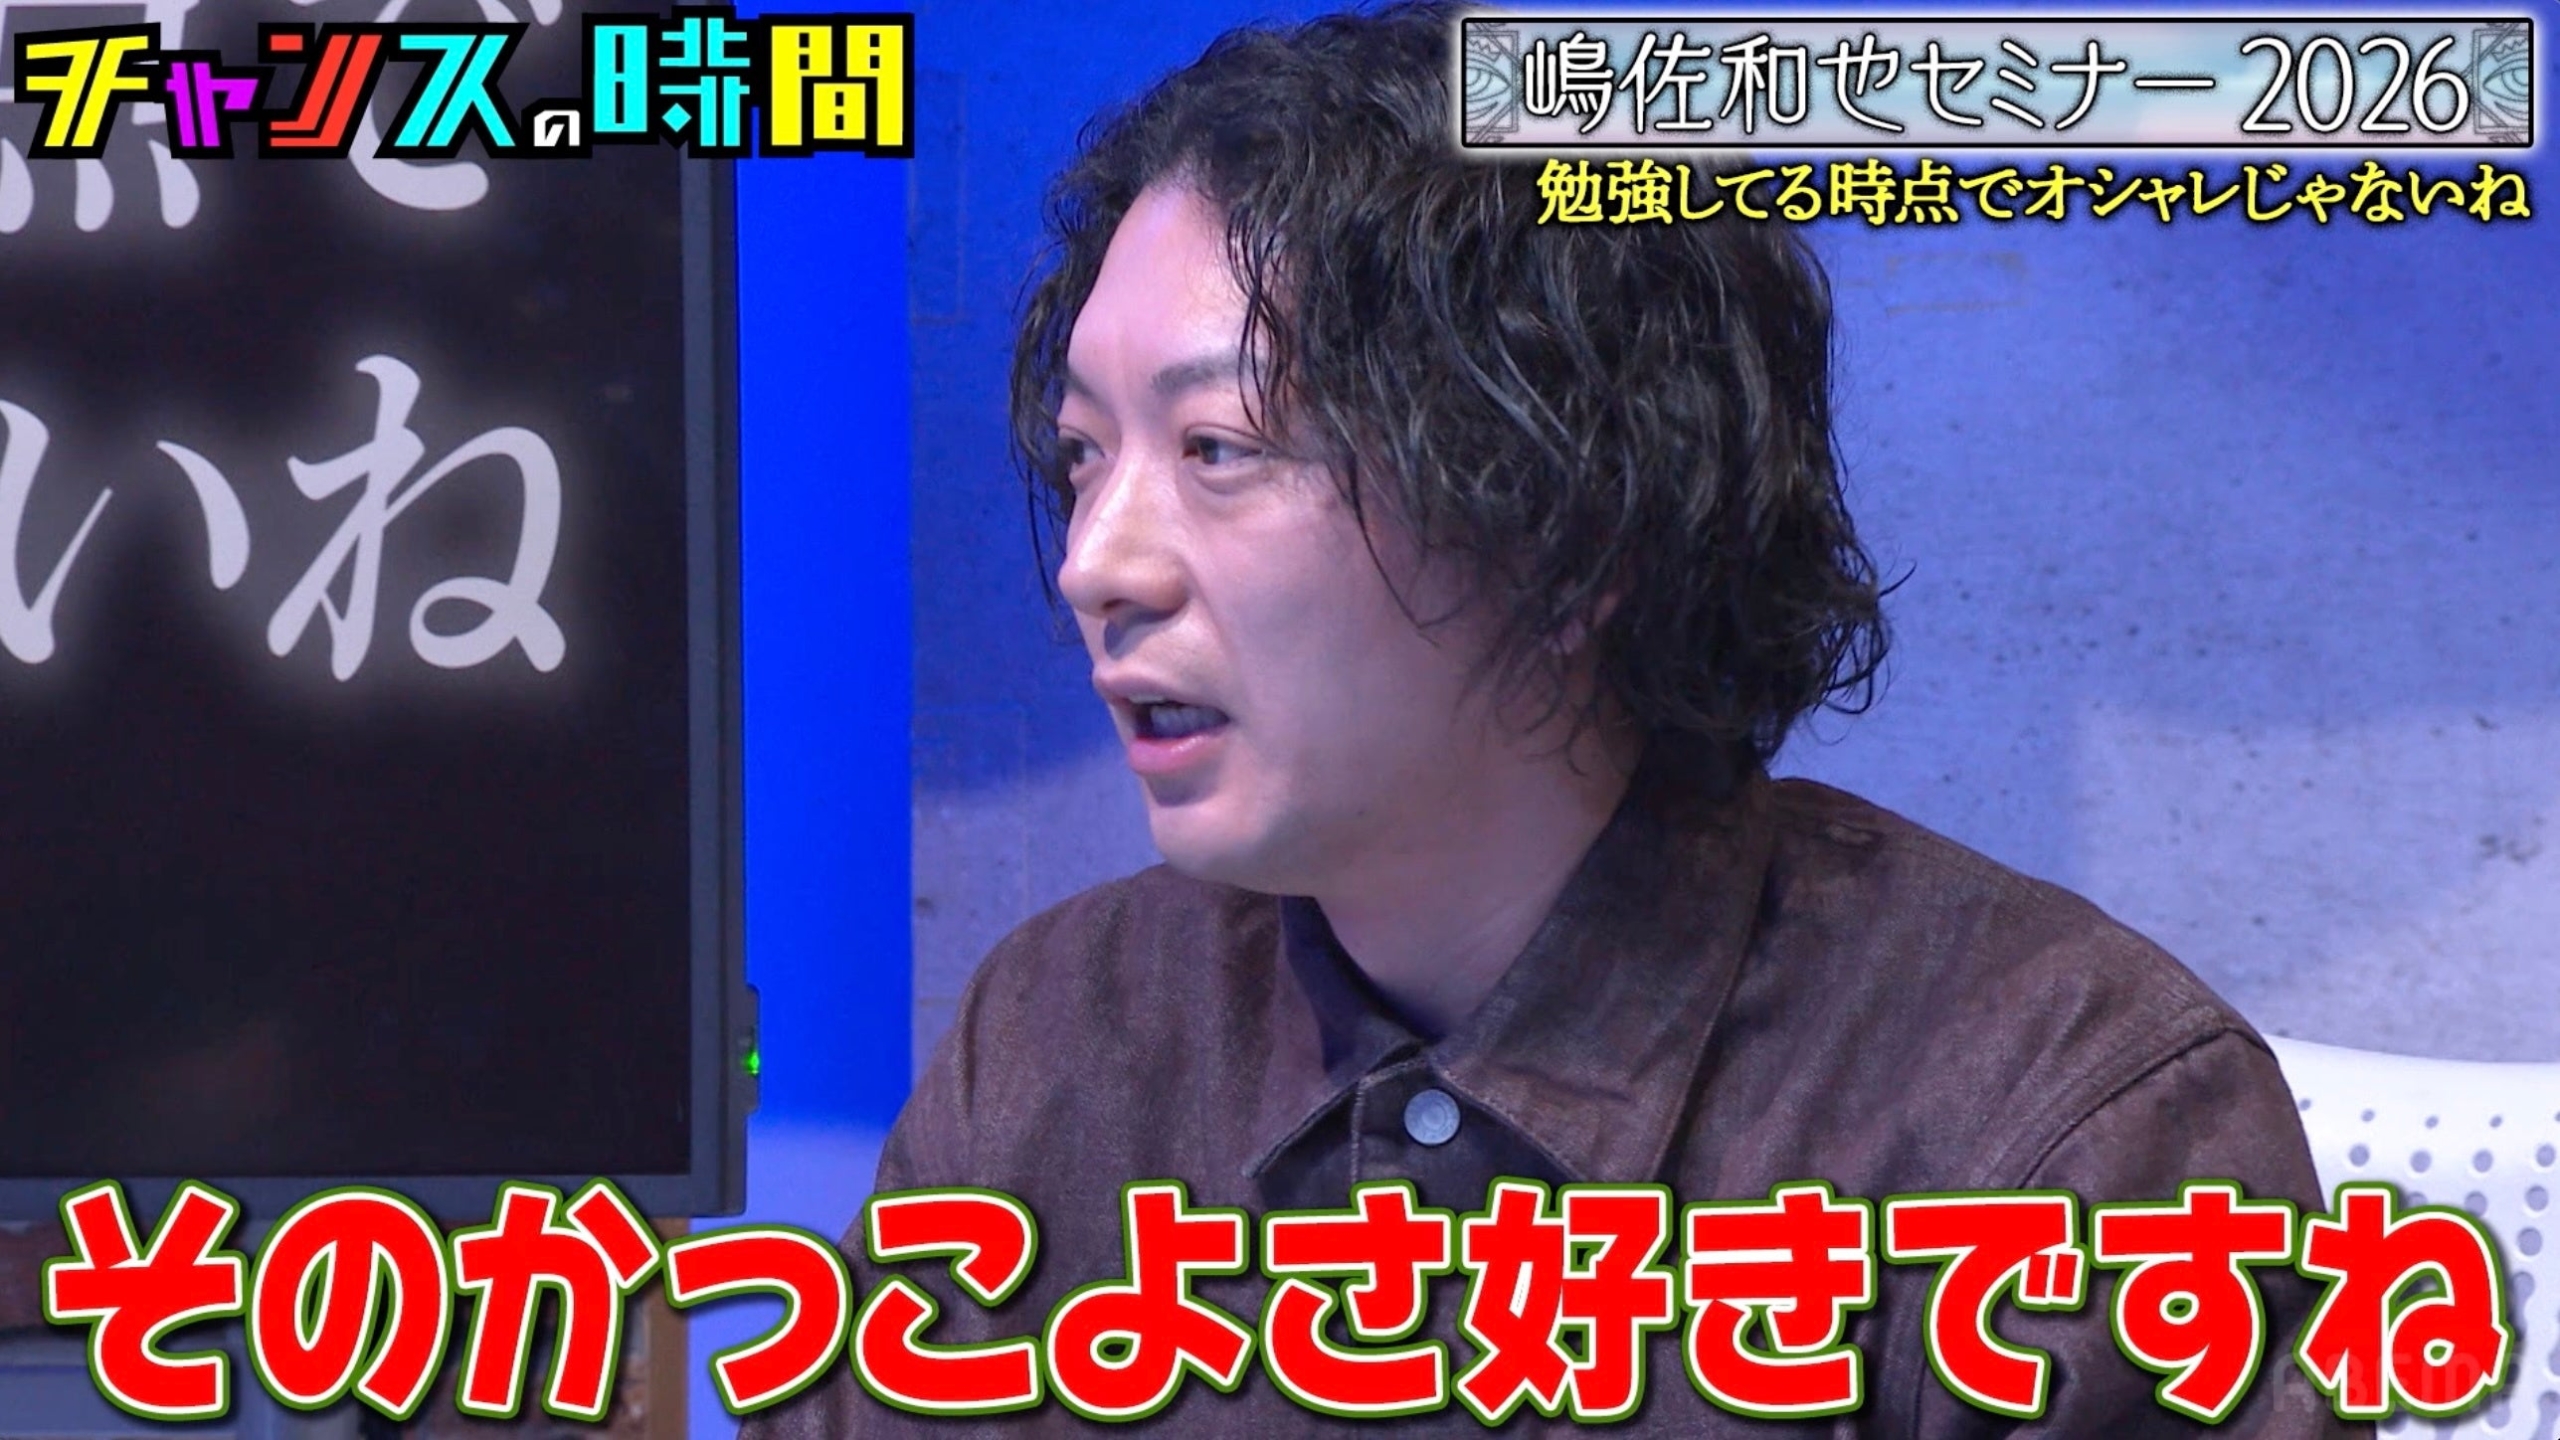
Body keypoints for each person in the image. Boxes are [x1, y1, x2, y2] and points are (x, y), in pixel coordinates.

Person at [751, 4, 2355, 1433]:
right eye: (1086, 454)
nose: (1096, 565)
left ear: (1569, 527)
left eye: (1219, 449)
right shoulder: (1062, 1045)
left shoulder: (2062, 1125)